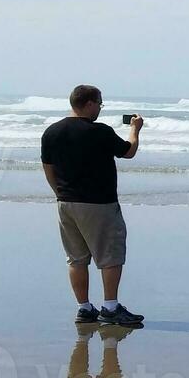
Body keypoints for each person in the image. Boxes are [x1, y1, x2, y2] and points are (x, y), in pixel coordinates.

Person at [41, 85, 146, 326]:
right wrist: (135, 130)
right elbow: (128, 152)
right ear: (88, 103)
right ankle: (110, 307)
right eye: (99, 103)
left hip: (66, 202)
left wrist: (60, 192)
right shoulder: (99, 132)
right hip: (99, 203)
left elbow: (49, 168)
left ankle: (84, 307)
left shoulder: (52, 132)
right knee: (110, 255)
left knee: (76, 258)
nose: (100, 107)